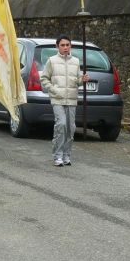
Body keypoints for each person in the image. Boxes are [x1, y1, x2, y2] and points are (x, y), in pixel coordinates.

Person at [40, 35, 89, 167]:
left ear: (70, 46)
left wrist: (82, 80)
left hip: (72, 99)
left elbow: (77, 80)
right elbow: (44, 79)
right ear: (57, 47)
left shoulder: (76, 61)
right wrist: (54, 90)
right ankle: (57, 155)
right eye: (63, 45)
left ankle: (67, 154)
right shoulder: (52, 61)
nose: (65, 47)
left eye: (68, 45)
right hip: (57, 99)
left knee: (70, 128)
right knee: (61, 124)